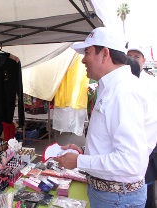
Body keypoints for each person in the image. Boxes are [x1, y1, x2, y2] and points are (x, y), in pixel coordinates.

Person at [54, 27, 157, 207]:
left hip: (117, 198)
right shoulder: (112, 87)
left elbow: (129, 161)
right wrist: (85, 150)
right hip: (112, 195)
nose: (83, 59)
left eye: (87, 52)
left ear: (105, 54)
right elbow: (114, 140)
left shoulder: (123, 92)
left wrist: (79, 160)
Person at [127, 45, 157, 208]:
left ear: (144, 60)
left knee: (146, 188)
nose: (131, 59)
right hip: (126, 150)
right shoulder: (121, 80)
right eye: (129, 55)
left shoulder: (152, 83)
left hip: (148, 147)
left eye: (136, 56)